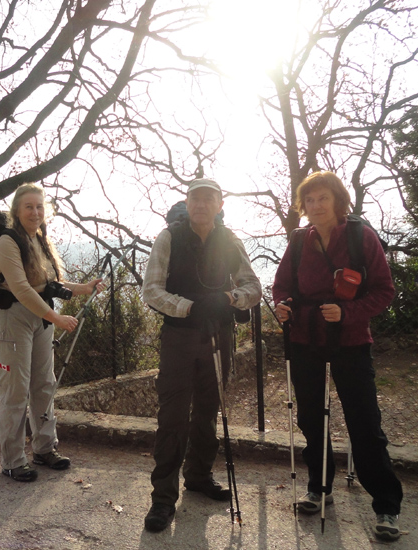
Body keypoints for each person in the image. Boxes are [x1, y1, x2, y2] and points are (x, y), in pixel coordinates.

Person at [273, 171, 403, 541]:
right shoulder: (299, 240)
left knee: (364, 421)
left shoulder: (362, 237)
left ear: (338, 200)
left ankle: (386, 505)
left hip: (351, 342)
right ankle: (319, 487)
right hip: (305, 337)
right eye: (309, 200)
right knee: (312, 418)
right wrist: (283, 306)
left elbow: (384, 290)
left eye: (322, 199)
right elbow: (282, 285)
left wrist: (348, 313)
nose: (315, 206)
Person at [141, 178, 262, 533]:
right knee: (173, 416)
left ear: (219, 204)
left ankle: (199, 475)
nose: (201, 204)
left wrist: (229, 300)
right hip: (179, 337)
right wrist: (190, 308)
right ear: (188, 202)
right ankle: (163, 499)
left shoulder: (230, 240)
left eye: (209, 199)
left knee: (209, 409)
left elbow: (252, 286)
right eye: (196, 198)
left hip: (219, 336)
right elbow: (151, 290)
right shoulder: (169, 238)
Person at [0, 183, 102, 482]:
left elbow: (49, 284)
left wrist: (83, 288)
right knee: (15, 391)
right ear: (17, 210)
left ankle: (44, 448)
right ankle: (12, 460)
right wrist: (56, 318)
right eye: (29, 207)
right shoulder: (7, 241)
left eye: (40, 207)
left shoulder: (39, 240)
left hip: (39, 317)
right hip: (12, 317)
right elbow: (23, 289)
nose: (35, 212)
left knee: (44, 384)